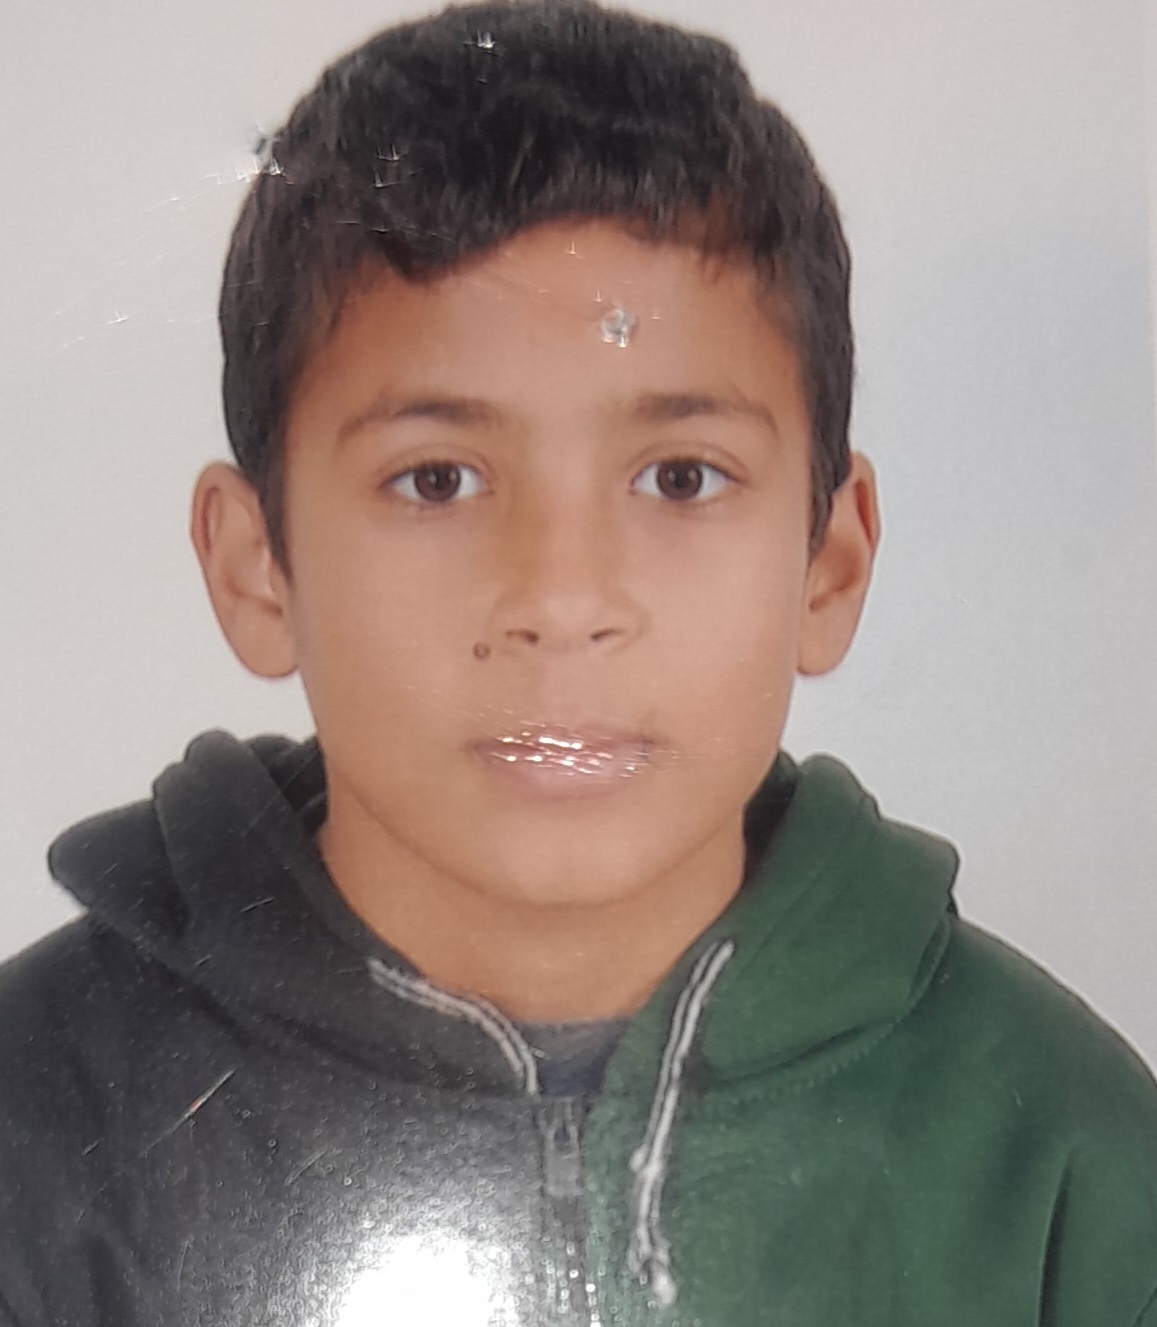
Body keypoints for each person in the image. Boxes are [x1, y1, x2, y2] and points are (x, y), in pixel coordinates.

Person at [1, 1, 1154, 1323]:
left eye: (680, 477)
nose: (560, 600)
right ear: (257, 564)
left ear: (827, 565)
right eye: (437, 479)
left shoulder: (1064, 1168)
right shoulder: (34, 1134)